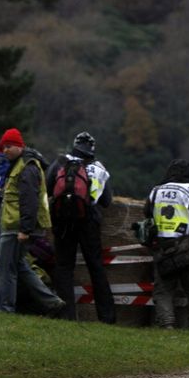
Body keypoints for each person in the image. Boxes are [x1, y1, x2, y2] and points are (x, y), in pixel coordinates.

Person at [0, 128, 65, 315]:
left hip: (15, 226)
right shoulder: (19, 165)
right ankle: (51, 302)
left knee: (5, 270)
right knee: (20, 266)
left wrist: (25, 228)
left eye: (9, 146)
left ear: (19, 146)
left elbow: (30, 200)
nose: (5, 150)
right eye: (3, 147)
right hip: (13, 224)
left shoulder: (27, 167)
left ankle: (4, 309)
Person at [46, 131, 116, 323]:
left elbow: (47, 187)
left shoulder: (60, 162)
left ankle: (66, 315)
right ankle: (107, 317)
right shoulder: (99, 168)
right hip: (88, 221)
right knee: (96, 267)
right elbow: (107, 201)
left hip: (62, 221)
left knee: (63, 267)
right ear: (92, 149)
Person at [144, 159, 189, 329]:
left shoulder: (155, 191)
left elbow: (147, 215)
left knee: (163, 290)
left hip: (162, 246)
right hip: (188, 247)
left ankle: (166, 325)